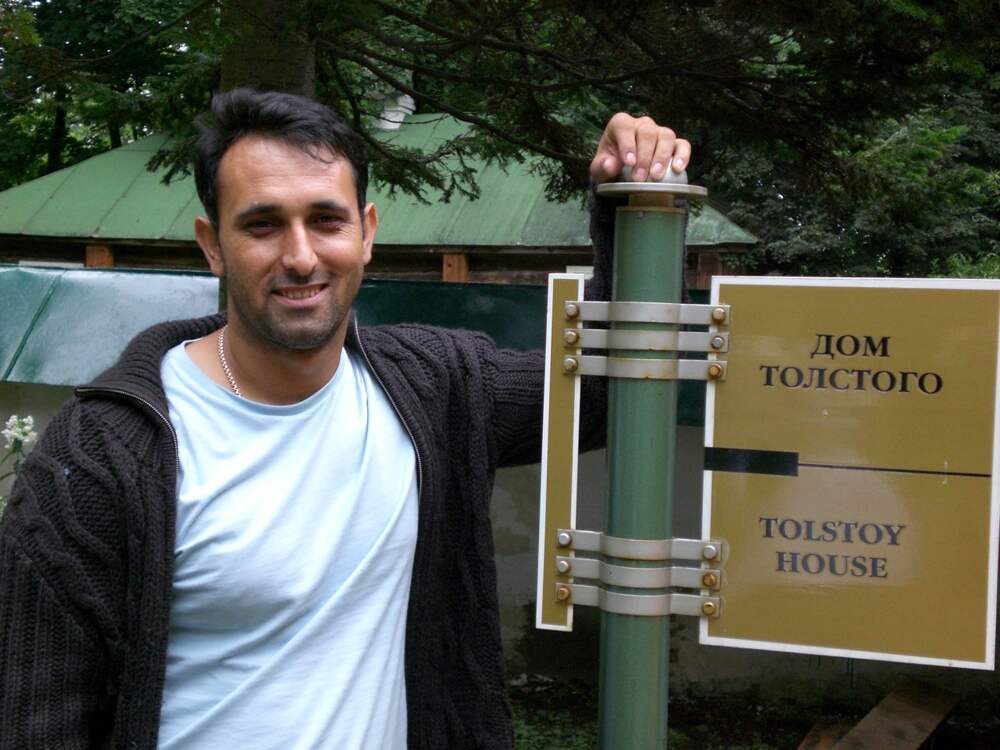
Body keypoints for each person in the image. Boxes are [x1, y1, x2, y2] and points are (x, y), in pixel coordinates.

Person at [0, 90, 691, 749]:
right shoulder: (100, 453)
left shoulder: (437, 389)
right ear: (213, 245)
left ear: (366, 232)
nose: (300, 256)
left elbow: (609, 396)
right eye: (263, 224)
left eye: (326, 220)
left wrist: (626, 208)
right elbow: (34, 722)